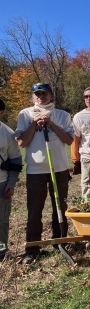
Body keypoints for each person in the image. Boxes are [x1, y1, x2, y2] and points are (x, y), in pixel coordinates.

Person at [15, 83, 74, 264]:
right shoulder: (25, 114)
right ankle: (32, 248)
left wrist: (50, 123)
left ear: (51, 96)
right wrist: (34, 123)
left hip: (59, 168)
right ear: (34, 97)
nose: (40, 97)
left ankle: (61, 242)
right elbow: (21, 142)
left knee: (60, 207)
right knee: (34, 210)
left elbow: (69, 140)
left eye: (44, 93)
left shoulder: (62, 115)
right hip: (36, 170)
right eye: (37, 94)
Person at [0, 99, 23, 259]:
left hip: (2, 184)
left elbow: (15, 161)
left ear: (1, 112)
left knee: (2, 221)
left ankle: (1, 252)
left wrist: (11, 183)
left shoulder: (8, 133)